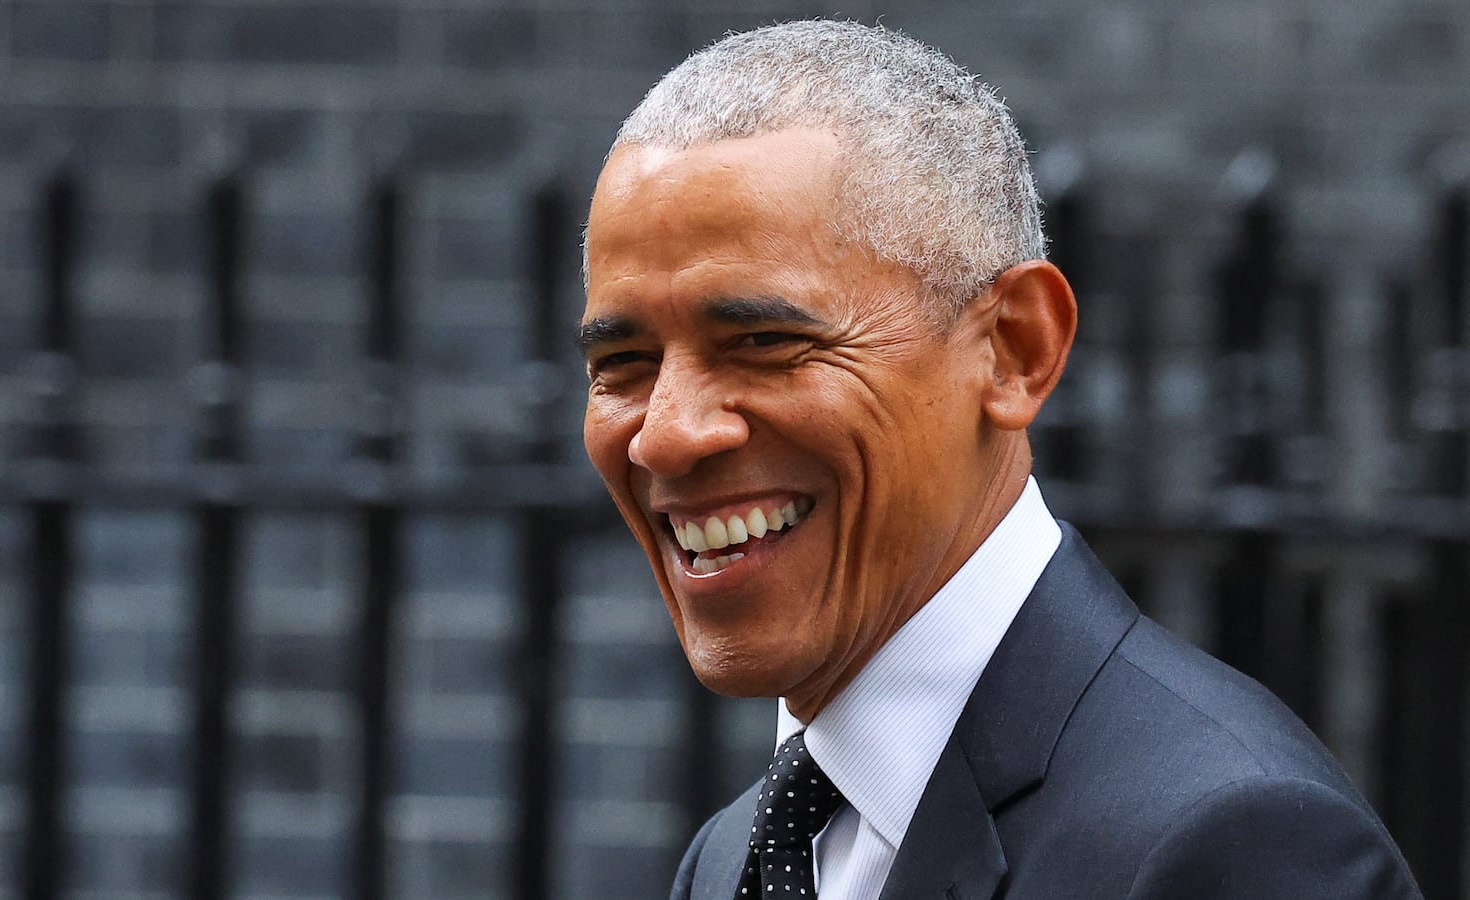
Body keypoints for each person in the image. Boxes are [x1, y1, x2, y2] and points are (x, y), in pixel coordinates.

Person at [577, 19, 1421, 900]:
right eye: (621, 365)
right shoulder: (729, 859)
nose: (665, 434)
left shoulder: (1229, 847)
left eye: (763, 340)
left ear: (1014, 349)